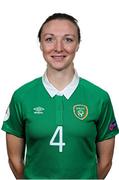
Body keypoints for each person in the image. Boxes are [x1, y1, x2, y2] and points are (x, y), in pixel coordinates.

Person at [1, 13, 119, 179]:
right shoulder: (22, 96)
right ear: (40, 44)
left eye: (68, 39)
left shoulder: (99, 98)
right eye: (49, 39)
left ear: (78, 44)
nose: (58, 48)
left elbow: (106, 162)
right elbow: (14, 160)